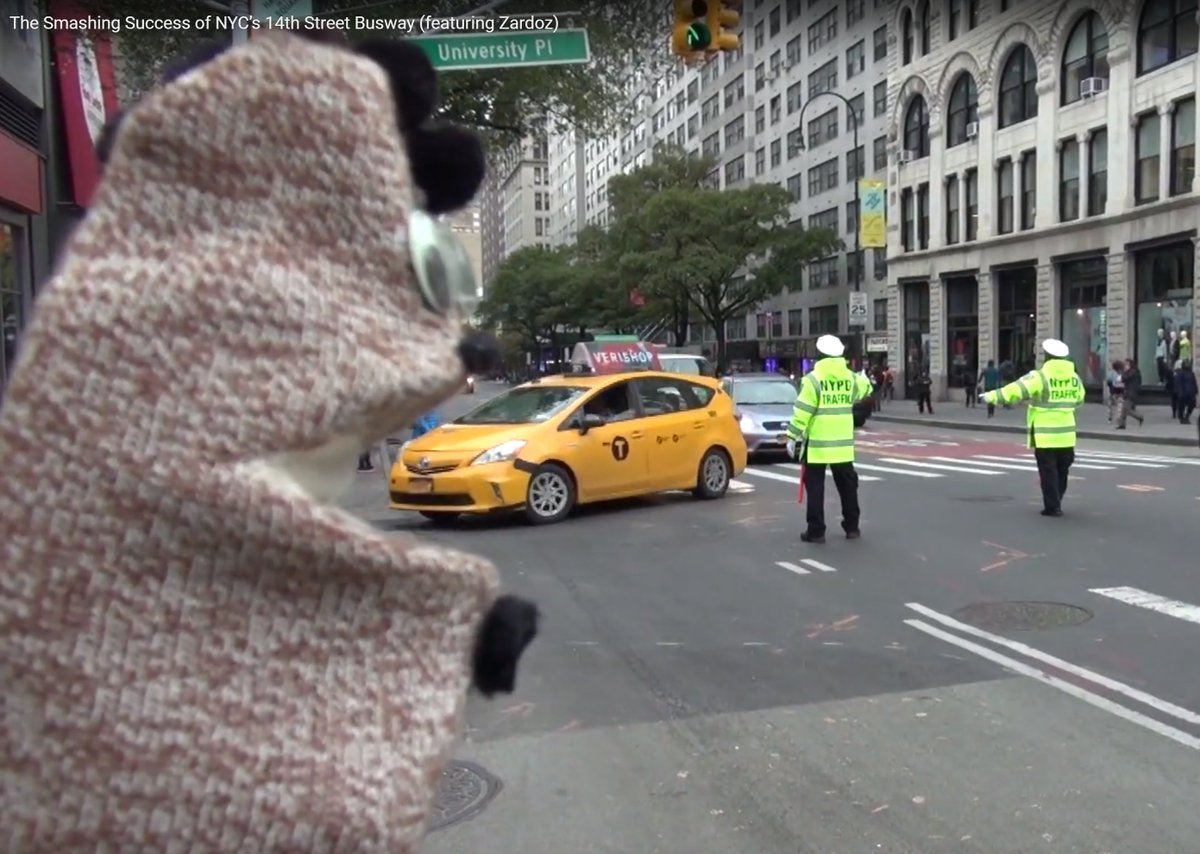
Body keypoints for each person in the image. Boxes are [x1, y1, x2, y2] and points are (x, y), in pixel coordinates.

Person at [980, 339, 1085, 517]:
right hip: (1067, 435)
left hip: (1045, 435)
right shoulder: (1074, 378)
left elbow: (1015, 390)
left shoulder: (1039, 376)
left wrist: (991, 396)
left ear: (1047, 357)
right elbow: (1080, 400)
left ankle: (1053, 507)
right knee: (1062, 471)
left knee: (1048, 471)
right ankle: (1057, 499)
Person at [785, 334, 874, 543]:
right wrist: (863, 376)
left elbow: (803, 411)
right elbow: (867, 388)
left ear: (820, 355)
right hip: (842, 445)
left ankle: (816, 531)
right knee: (848, 486)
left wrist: (792, 436)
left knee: (815, 488)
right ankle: (852, 526)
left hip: (817, 445)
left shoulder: (812, 380)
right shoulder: (850, 378)